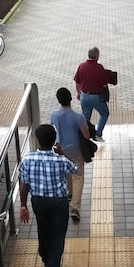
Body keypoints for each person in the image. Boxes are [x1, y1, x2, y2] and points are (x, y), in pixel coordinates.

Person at [19, 124, 78, 267]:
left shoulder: (28, 159)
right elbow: (75, 168)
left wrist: (23, 206)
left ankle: (46, 257)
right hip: (58, 203)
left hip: (38, 201)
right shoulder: (60, 160)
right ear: (54, 141)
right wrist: (62, 152)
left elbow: (25, 184)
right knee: (58, 237)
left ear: (38, 140)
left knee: (43, 231)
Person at [50, 87, 91, 221]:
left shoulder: (53, 115)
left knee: (67, 172)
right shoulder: (78, 117)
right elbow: (86, 135)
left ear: (58, 100)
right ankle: (75, 207)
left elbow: (53, 128)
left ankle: (70, 192)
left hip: (60, 149)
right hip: (76, 150)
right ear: (71, 99)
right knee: (78, 176)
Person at [74, 46, 112, 142]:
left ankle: (84, 137)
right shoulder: (99, 68)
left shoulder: (81, 66)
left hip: (84, 96)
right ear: (97, 56)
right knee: (104, 114)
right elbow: (104, 85)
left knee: (85, 118)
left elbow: (77, 82)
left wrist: (79, 93)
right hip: (96, 97)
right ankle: (97, 134)